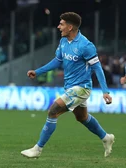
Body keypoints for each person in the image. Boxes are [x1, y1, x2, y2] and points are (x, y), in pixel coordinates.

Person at [21, 12, 115, 158]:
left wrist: (105, 91)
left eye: (62, 24)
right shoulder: (64, 41)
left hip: (82, 88)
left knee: (53, 111)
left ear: (70, 27)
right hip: (70, 87)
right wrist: (38, 72)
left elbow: (97, 68)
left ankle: (37, 149)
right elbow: (58, 60)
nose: (59, 27)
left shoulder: (85, 45)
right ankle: (106, 137)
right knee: (82, 117)